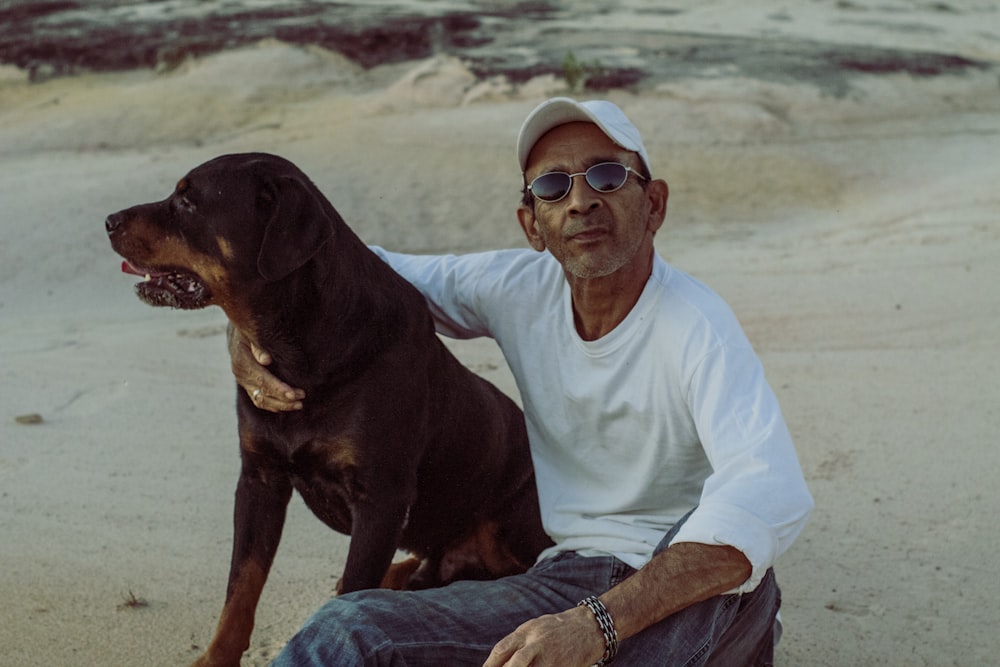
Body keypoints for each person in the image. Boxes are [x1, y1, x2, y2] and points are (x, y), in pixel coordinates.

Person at [229, 97, 813, 666]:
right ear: (532, 224)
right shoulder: (519, 287)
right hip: (565, 578)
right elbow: (348, 270)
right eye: (553, 187)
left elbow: (767, 492)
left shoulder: (698, 326)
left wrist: (597, 626)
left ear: (654, 205)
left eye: (607, 177)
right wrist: (242, 332)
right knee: (347, 629)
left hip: (690, 587)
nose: (581, 200)